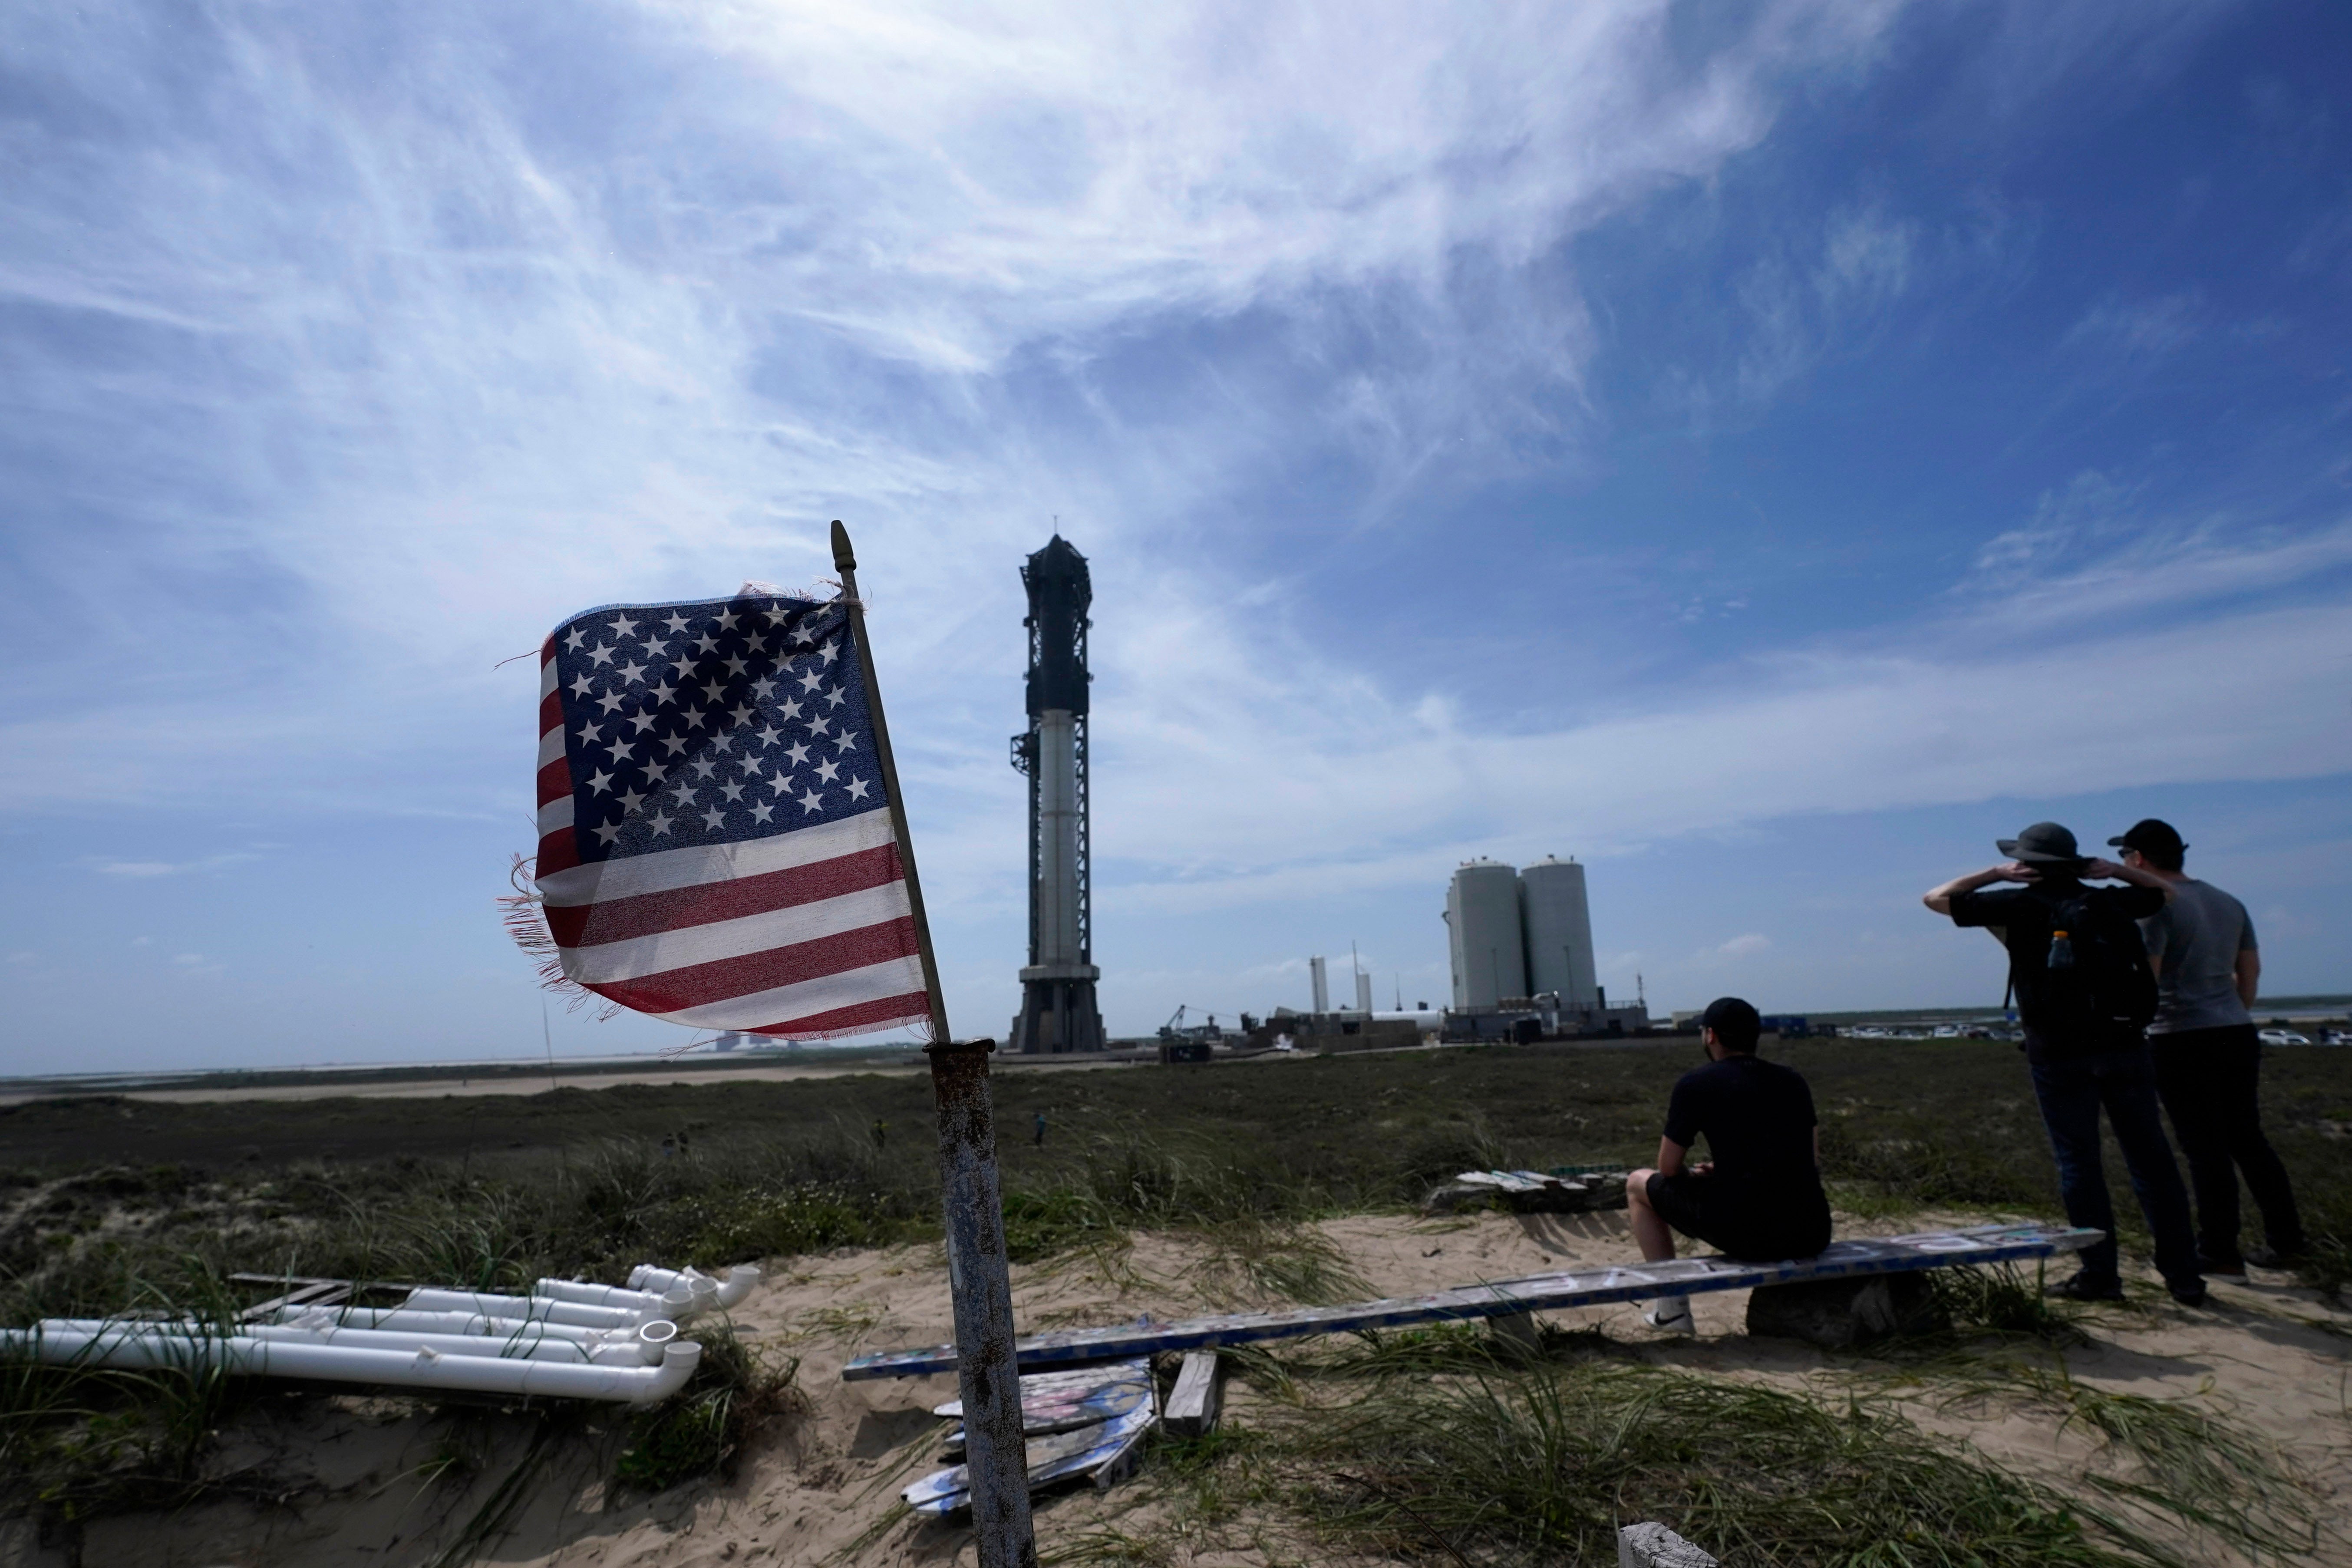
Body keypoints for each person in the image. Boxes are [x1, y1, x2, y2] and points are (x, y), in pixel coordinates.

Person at [1923, 822, 2206, 1305]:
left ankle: (2100, 1274)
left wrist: (1995, 873)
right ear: (2075, 861)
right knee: (2151, 1159)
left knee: (2078, 1162)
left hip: (2056, 1051)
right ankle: (2184, 1277)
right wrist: (2114, 870)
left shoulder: (2015, 904)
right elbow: (2166, 893)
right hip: (2123, 1044)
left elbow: (1935, 898)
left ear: (2025, 863)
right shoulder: (2108, 900)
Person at [2111, 818, 2305, 1278]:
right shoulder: (2227, 901)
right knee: (2248, 1139)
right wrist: (2233, 1012)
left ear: (2138, 859)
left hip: (2179, 1033)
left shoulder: (2156, 906)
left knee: (2204, 1148)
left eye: (2124, 856)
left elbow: (2147, 979)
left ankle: (2219, 1249)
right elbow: (2249, 971)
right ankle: (2288, 1241)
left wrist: (2129, 1025)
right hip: (2234, 1028)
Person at [1626, 997, 1832, 1335]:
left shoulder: (1696, 1084)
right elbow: (1809, 1160)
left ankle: (1672, 1308)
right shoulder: (1792, 1080)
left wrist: (1700, 1177)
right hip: (1811, 1230)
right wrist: (1728, 1171)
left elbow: (1668, 1167)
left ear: (1710, 1035)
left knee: (1637, 1183)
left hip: (1749, 1234)